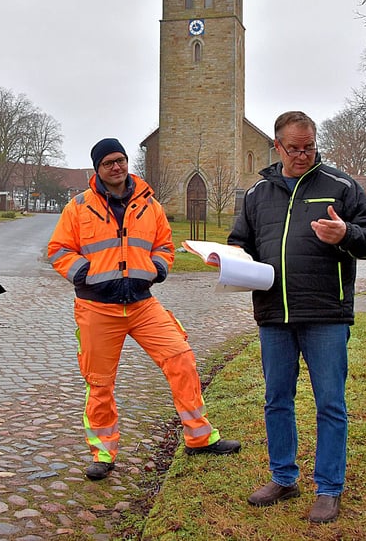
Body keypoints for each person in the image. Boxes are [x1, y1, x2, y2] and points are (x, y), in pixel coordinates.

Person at [47, 138, 241, 481]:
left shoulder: (149, 204)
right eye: (108, 163)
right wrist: (85, 274)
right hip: (97, 308)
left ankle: (199, 436)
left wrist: (157, 268)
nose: (116, 167)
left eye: (120, 160)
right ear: (97, 169)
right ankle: (103, 453)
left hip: (142, 304)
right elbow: (59, 250)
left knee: (181, 358)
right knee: (99, 383)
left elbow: (164, 245)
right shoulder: (78, 207)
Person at [228, 111, 366, 522]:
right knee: (277, 399)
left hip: (326, 314)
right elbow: (240, 242)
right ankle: (283, 477)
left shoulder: (341, 186)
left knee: (330, 402)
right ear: (277, 146)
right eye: (294, 148)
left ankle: (329, 488)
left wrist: (346, 234)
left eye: (309, 146)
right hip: (273, 314)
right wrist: (229, 259)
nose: (302, 155)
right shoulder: (257, 193)